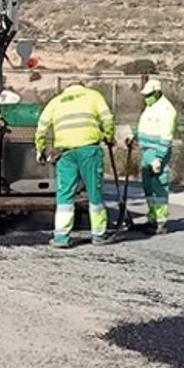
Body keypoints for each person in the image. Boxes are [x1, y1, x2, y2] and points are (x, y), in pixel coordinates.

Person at [35, 79, 116, 247]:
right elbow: (107, 119)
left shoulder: (56, 101)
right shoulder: (93, 96)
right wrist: (109, 137)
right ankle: (99, 235)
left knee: (65, 193)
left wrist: (40, 149)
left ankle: (61, 237)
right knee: (94, 191)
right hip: (88, 150)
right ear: (82, 86)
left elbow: (41, 128)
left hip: (65, 153)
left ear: (67, 89)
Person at [125, 79, 177, 235]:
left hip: (157, 152)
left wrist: (159, 158)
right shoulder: (150, 107)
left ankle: (160, 221)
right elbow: (146, 128)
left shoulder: (167, 110)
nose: (146, 98)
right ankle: (152, 217)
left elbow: (166, 136)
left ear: (157, 92)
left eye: (149, 95)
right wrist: (134, 136)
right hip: (147, 151)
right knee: (147, 186)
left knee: (159, 186)